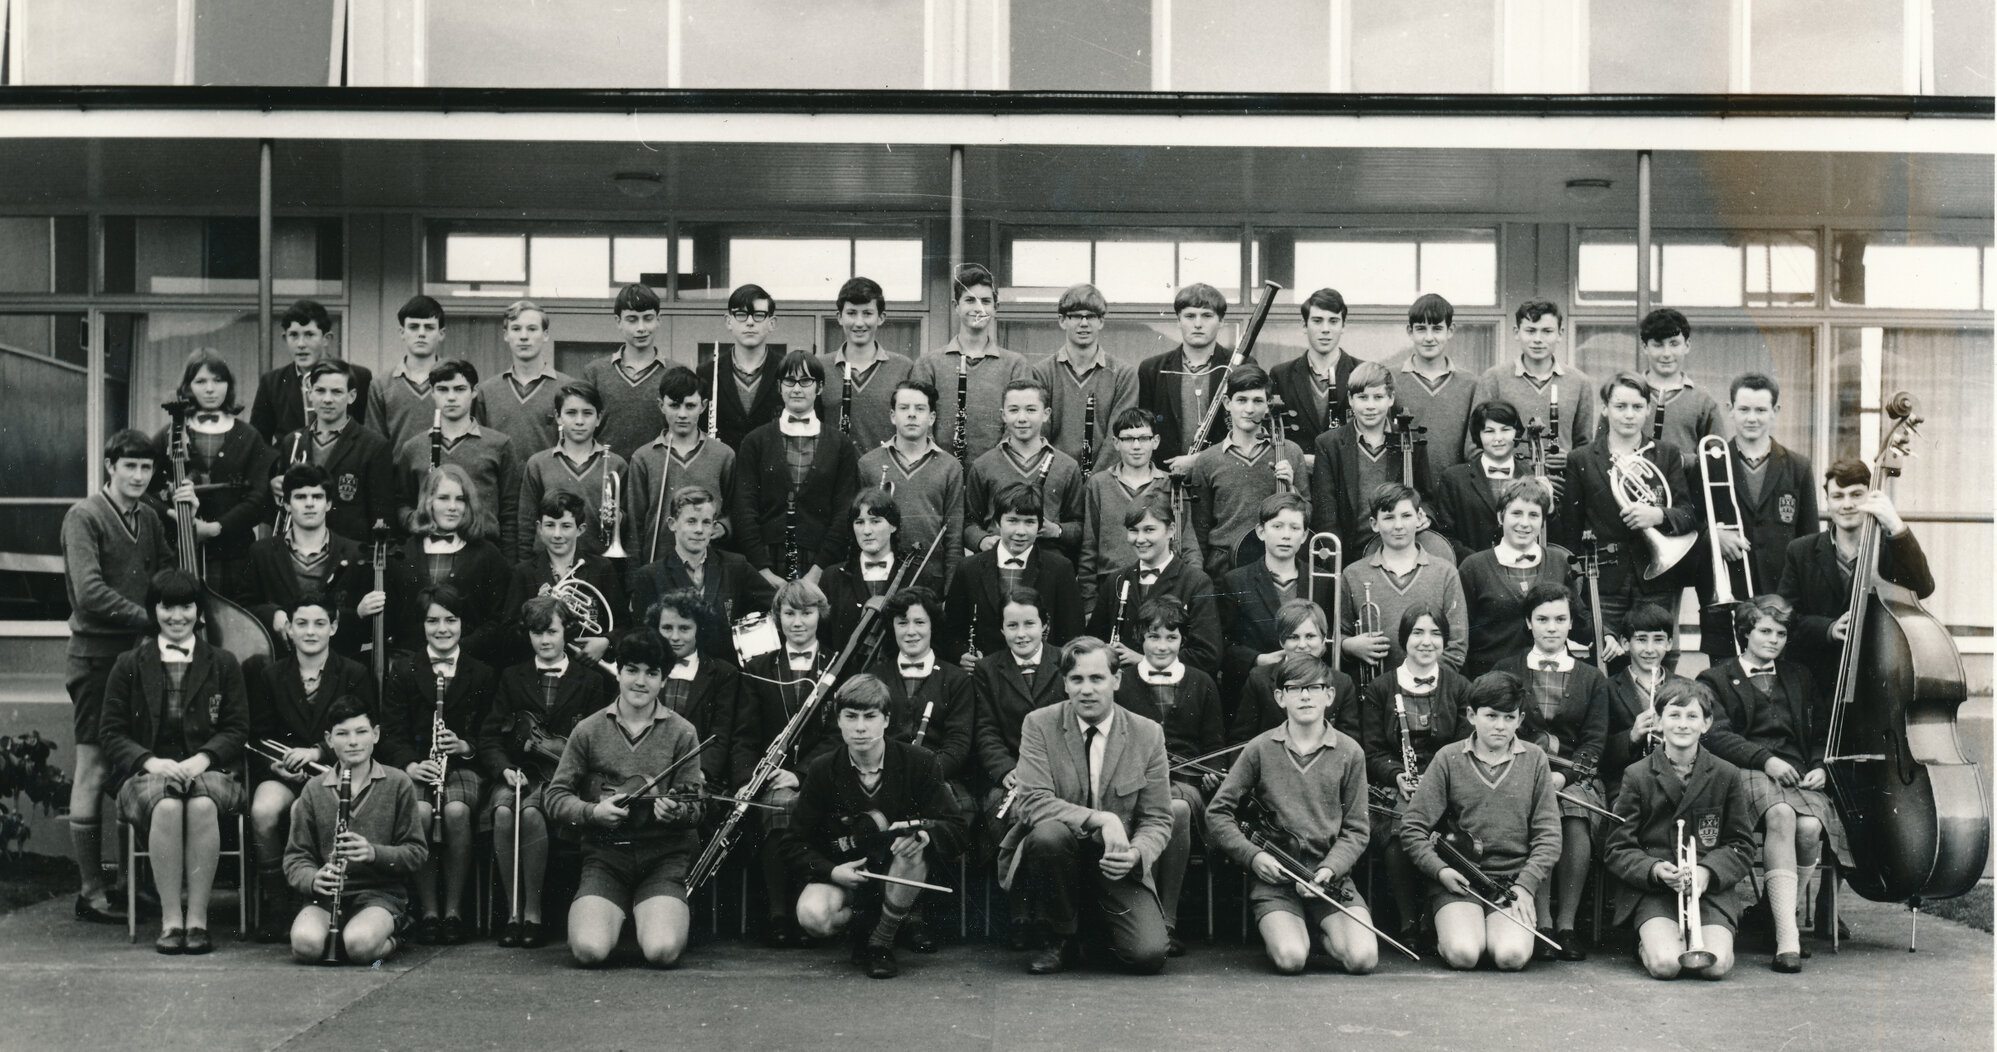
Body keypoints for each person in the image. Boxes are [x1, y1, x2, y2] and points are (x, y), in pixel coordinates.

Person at [98, 568, 250, 954]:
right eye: (167, 607)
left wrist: (204, 758)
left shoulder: (223, 662)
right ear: (154, 610)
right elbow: (111, 733)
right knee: (167, 807)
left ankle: (197, 920)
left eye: (186, 606)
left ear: (199, 611)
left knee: (200, 806)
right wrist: (150, 762)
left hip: (208, 769)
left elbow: (236, 727)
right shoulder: (129, 663)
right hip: (148, 772)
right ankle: (171, 920)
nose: (177, 616)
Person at [1001, 637, 1173, 975]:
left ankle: (1092, 930)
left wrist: (1136, 854)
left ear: (1116, 680)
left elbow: (1157, 818)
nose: (1087, 690)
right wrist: (1100, 819)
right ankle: (1058, 936)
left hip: (1113, 862)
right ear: (1065, 684)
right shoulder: (1039, 724)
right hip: (1056, 856)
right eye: (1077, 680)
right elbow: (1033, 801)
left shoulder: (1147, 733)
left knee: (1148, 955)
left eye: (1097, 679)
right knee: (1049, 834)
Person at [1700, 595, 1849, 973]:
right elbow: (1716, 735)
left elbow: (1819, 733)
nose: (1774, 640)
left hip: (1797, 773)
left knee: (1811, 827)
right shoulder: (1715, 678)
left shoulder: (1799, 676)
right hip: (1745, 772)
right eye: (1765, 631)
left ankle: (1772, 915)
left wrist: (1819, 766)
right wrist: (1765, 759)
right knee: (1781, 815)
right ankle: (1788, 938)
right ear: (1745, 633)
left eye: (1781, 633)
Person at [784, 674, 968, 978]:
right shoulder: (821, 769)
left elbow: (957, 829)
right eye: (851, 716)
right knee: (812, 916)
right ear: (838, 720)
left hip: (900, 875)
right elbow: (793, 843)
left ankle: (880, 942)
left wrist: (924, 835)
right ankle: (860, 926)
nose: (859, 727)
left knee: (911, 849)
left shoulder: (920, 761)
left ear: (886, 720)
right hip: (847, 877)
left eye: (870, 716)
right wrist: (832, 871)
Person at [61, 429, 174, 924]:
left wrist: (177, 606)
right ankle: (90, 889)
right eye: (128, 466)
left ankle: (132, 883)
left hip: (138, 657)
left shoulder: (148, 516)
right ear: (109, 466)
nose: (137, 476)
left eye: (146, 468)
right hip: (97, 658)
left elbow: (168, 573)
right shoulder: (84, 516)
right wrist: (152, 619)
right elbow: (89, 593)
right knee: (95, 767)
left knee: (134, 766)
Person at [1207, 652, 1378, 976]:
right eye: (1295, 688)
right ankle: (1295, 931)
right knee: (1291, 959)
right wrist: (1254, 857)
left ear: (1329, 695)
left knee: (1363, 959)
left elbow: (1356, 829)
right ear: (1279, 697)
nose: (1304, 696)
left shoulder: (1350, 752)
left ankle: (1316, 930)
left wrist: (1330, 868)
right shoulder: (1259, 748)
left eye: (1314, 688)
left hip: (1329, 880)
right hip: (1276, 881)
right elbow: (1218, 813)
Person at [543, 632, 707, 967]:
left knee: (661, 951)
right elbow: (555, 796)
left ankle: (651, 915)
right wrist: (592, 812)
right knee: (589, 950)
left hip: (663, 859)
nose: (640, 681)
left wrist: (676, 812)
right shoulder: (588, 730)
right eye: (632, 670)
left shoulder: (683, 731)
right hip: (606, 858)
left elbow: (697, 806)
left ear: (663, 680)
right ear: (618, 672)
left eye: (652, 673)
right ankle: (616, 915)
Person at [1399, 671, 1562, 972]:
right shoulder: (1448, 758)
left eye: (1509, 718)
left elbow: (1549, 837)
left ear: (1520, 719)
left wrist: (1526, 887)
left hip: (1512, 882)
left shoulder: (1535, 759)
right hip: (1459, 881)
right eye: (1491, 716)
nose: (1500, 726)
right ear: (1472, 716)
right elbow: (1412, 828)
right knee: (1464, 954)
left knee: (1510, 956)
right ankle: (1447, 925)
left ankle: (1494, 926)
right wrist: (1441, 871)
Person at [478, 595, 616, 949]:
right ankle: (513, 913)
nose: (545, 640)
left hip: (564, 779)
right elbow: (490, 735)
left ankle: (534, 913)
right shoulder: (511, 677)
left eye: (552, 631)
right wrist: (504, 769)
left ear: (565, 631)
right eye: (537, 633)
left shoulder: (590, 681)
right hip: (521, 772)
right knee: (505, 811)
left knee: (533, 813)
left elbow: (598, 740)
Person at [1604, 678, 1755, 981]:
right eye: (1674, 715)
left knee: (1716, 966)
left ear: (1707, 723)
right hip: (1655, 891)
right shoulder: (1636, 775)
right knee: (1666, 965)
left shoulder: (1726, 774)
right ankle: (1648, 943)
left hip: (1709, 891)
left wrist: (1707, 872)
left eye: (1692, 716)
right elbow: (1617, 847)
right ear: (1658, 722)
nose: (1683, 725)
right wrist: (1655, 869)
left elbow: (1741, 844)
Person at [247, 589, 376, 942]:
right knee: (263, 811)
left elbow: (361, 735)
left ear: (334, 627)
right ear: (288, 628)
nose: (310, 631)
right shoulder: (270, 675)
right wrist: (277, 765)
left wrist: (319, 752)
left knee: (320, 813)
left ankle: (327, 900)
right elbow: (257, 736)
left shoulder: (354, 672)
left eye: (320, 623)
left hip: (337, 772)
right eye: (301, 623)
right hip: (285, 772)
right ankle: (279, 904)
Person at [1491, 583, 1611, 959]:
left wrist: (1565, 777)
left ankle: (1567, 926)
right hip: (1519, 771)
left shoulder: (1591, 678)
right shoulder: (1507, 669)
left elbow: (1594, 743)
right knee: (1535, 816)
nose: (1551, 627)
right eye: (1542, 619)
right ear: (1528, 623)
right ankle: (1541, 923)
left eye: (1560, 619)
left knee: (1573, 816)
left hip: (1575, 776)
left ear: (1571, 623)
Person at [378, 583, 497, 945]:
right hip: (418, 766)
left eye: (450, 620)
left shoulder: (482, 673)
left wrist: (464, 745)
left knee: (458, 812)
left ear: (462, 623)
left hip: (462, 766)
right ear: (422, 625)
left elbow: (490, 732)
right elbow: (391, 734)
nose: (442, 629)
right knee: (420, 811)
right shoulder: (403, 669)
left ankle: (454, 910)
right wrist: (411, 766)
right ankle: (429, 909)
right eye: (433, 621)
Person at [734, 578, 845, 946]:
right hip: (770, 780)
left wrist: (799, 775)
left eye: (807, 613)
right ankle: (779, 913)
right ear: (777, 617)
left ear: (820, 615)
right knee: (775, 805)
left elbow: (836, 736)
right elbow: (745, 735)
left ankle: (804, 908)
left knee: (793, 803)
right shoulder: (758, 666)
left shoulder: (838, 664)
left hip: (822, 775)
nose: (798, 622)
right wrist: (750, 779)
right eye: (790, 613)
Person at [1111, 595, 1221, 957]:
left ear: (1182, 641)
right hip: (1132, 784)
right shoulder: (1121, 682)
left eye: (1171, 638)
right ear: (1140, 638)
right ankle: (1142, 916)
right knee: (1159, 808)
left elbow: (1214, 746)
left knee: (1178, 809)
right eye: (1154, 637)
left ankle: (1167, 920)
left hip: (1187, 783)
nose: (1162, 646)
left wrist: (1212, 776)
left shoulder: (1202, 682)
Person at [1557, 371, 1698, 653]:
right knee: (1606, 655)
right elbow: (1570, 530)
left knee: (1656, 655)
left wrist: (1658, 516)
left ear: (1648, 410)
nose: (1628, 415)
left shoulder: (1666, 454)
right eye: (1620, 407)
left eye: (1636, 407)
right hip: (1603, 580)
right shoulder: (1581, 459)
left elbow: (1688, 515)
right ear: (1606, 410)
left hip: (1656, 578)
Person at [284, 694, 427, 965]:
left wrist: (374, 853)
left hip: (380, 895)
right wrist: (314, 879)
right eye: (342, 734)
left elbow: (416, 853)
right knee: (306, 945)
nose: (352, 741)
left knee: (359, 947)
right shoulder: (314, 789)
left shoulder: (398, 782)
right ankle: (345, 937)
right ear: (328, 740)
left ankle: (399, 933)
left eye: (361, 732)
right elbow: (295, 857)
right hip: (326, 898)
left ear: (375, 734)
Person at [1356, 606, 1471, 943]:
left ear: (1445, 641)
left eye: (1435, 634)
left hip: (1446, 782)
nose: (1426, 641)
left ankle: (1440, 914)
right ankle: (1409, 922)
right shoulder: (1380, 688)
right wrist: (1397, 777)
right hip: (1397, 786)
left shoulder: (1461, 686)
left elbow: (1463, 744)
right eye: (1418, 633)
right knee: (1399, 830)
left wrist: (1435, 780)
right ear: (1404, 639)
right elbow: (1373, 750)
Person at [1695, 372, 1817, 663]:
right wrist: (1712, 535)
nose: (1752, 418)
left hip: (1781, 599)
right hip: (1726, 601)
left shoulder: (1798, 466)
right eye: (1744, 409)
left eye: (1761, 410)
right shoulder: (1709, 461)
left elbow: (1809, 537)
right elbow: (1691, 521)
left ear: (1775, 412)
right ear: (1729, 409)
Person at [971, 587, 1066, 949]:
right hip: (1010, 774)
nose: (1021, 633)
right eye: (1012, 625)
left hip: (1058, 773)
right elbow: (986, 729)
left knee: (1050, 825)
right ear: (1002, 629)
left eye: (1029, 624)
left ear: (1044, 626)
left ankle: (1045, 915)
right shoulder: (987, 669)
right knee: (1004, 814)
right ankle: (1020, 912)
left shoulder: (1066, 660)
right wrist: (1005, 769)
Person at [1778, 458, 1927, 689]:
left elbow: (1923, 587)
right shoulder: (1800, 550)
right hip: (1816, 681)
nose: (1847, 504)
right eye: (1838, 496)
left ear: (1872, 499)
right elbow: (1786, 618)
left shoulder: (1889, 550)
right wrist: (1829, 628)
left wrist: (1896, 526)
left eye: (1856, 495)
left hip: (1878, 677)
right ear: (1827, 502)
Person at [150, 348, 277, 601]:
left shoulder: (249, 436)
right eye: (201, 381)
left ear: (229, 386)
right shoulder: (170, 433)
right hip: (182, 550)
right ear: (187, 387)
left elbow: (259, 496)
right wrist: (173, 515)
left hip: (235, 553)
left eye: (218, 381)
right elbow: (144, 490)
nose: (210, 389)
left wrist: (216, 528)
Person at [732, 350, 862, 590]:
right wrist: (763, 571)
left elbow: (845, 511)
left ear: (820, 388)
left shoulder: (840, 444)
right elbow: (743, 508)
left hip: (822, 565)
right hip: (765, 564)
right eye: (789, 381)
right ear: (779, 387)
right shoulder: (755, 441)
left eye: (806, 381)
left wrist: (816, 573)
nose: (797, 389)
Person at [1184, 362, 1310, 580]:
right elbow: (1200, 528)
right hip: (1224, 566)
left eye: (1258, 401)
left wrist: (1291, 489)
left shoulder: (1290, 452)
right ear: (1227, 403)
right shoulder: (1208, 460)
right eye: (1241, 400)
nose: (1249, 409)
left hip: (1276, 564)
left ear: (1268, 406)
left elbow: (1307, 514)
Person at [1338, 484, 1469, 681]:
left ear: (1419, 518)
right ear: (1374, 524)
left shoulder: (1445, 572)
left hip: (1433, 690)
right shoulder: (1353, 574)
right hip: (1374, 694)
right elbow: (1338, 636)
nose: (1398, 525)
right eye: (1389, 518)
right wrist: (1348, 646)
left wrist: (1421, 682)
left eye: (1406, 516)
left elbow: (1457, 645)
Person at [1456, 478, 1585, 678]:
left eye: (1533, 515)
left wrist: (1607, 634)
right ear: (1500, 517)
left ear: (1542, 521)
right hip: (1491, 680)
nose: (1524, 523)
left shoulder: (1560, 562)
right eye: (1516, 513)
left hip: (1546, 676)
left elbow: (1579, 618)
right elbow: (1461, 634)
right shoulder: (1474, 567)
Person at [395, 359, 524, 559]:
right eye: (443, 389)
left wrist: (509, 564)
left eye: (460, 389)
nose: (451, 397)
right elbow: (401, 504)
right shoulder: (413, 447)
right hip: (429, 550)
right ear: (432, 392)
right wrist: (419, 520)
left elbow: (511, 513)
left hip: (483, 553)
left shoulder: (499, 445)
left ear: (474, 392)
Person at [944, 483, 1083, 669]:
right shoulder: (969, 568)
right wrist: (960, 654)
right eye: (1012, 520)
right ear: (997, 522)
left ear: (1040, 525)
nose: (1021, 531)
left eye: (1029, 522)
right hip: (984, 674)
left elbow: (1072, 634)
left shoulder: (1060, 568)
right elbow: (951, 632)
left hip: (1041, 675)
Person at [382, 465, 510, 663]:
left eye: (460, 499)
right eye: (443, 498)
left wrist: (459, 650)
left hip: (470, 665)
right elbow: (393, 621)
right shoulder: (401, 554)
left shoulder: (488, 555)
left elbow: (497, 619)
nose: (453, 507)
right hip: (412, 666)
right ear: (428, 501)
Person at [911, 264, 1036, 467]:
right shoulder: (928, 364)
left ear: (996, 307)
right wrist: (941, 468)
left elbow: (1021, 426)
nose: (978, 308)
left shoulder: (1015, 364)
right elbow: (919, 424)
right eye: (970, 300)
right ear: (955, 306)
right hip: (940, 471)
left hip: (998, 472)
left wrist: (993, 467)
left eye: (985, 301)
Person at [626, 484, 768, 663]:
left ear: (714, 526)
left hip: (726, 677)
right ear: (672, 524)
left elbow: (773, 607)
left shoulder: (735, 565)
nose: (699, 529)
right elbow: (643, 637)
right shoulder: (649, 575)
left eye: (706, 522)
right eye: (691, 521)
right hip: (673, 673)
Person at [1308, 363, 1437, 559]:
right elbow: (1326, 511)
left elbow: (1427, 497)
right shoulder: (1329, 444)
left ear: (1391, 399)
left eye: (1378, 397)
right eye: (1362, 397)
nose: (1370, 406)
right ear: (1351, 400)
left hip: (1398, 549)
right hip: (1350, 551)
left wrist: (1425, 515)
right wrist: (1337, 558)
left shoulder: (1411, 440)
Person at [1087, 494, 1222, 681]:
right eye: (1134, 530)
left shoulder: (1196, 582)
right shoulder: (1116, 580)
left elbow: (1208, 656)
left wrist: (1144, 661)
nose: (1140, 539)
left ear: (1171, 530)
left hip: (1172, 690)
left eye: (1149, 530)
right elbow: (1093, 641)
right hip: (1123, 690)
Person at [241, 464, 369, 658]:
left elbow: (363, 623)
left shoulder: (355, 554)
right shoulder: (261, 552)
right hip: (279, 663)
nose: (309, 504)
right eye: (300, 497)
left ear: (328, 503)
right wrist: (273, 614)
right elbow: (243, 606)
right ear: (286, 504)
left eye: (317, 497)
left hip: (338, 664)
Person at [871, 588, 976, 817]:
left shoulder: (956, 679)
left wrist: (923, 775)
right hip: (881, 778)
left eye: (919, 622)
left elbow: (958, 744)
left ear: (932, 626)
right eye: (902, 623)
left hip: (938, 778)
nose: (911, 632)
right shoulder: (875, 677)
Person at [269, 359, 397, 544]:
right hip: (300, 550)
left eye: (337, 392)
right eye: (320, 391)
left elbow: (382, 515)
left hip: (350, 554)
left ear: (351, 396)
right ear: (310, 393)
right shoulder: (292, 441)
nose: (327, 399)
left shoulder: (374, 446)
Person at [625, 365, 738, 565]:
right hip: (657, 565)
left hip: (708, 566)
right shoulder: (643, 458)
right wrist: (634, 580)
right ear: (661, 405)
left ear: (703, 406)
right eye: (674, 405)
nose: (682, 414)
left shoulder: (723, 455)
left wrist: (724, 526)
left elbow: (733, 510)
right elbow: (635, 525)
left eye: (690, 406)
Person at [857, 380, 964, 588]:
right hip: (879, 580)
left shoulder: (950, 467)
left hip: (931, 581)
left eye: (920, 409)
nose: (912, 414)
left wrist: (950, 592)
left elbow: (954, 539)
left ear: (932, 417)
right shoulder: (868, 464)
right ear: (892, 416)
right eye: (904, 408)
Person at [964, 378, 1085, 560]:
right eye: (1013, 410)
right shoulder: (983, 465)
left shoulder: (1067, 466)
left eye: (1031, 410)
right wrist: (982, 540)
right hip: (995, 559)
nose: (1022, 418)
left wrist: (1056, 530)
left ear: (1046, 414)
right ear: (1003, 415)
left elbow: (1079, 526)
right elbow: (968, 522)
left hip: (1048, 564)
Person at [501, 491, 623, 670]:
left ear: (580, 529)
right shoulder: (523, 572)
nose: (557, 534)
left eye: (566, 526)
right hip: (538, 668)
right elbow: (508, 634)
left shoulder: (602, 568)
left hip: (587, 670)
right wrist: (534, 610)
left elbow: (624, 626)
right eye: (550, 525)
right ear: (539, 528)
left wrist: (606, 642)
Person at [1216, 493, 1321, 702]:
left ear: (1304, 536)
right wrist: (1257, 660)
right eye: (1277, 526)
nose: (1286, 535)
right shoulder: (1235, 581)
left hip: (1309, 689)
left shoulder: (1322, 580)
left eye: (1294, 528)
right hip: (1254, 691)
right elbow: (1222, 644)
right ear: (1261, 532)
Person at [1467, 299, 1596, 465]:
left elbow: (1585, 448)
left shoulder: (1580, 382)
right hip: (1507, 487)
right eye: (1530, 331)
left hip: (1560, 487)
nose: (1538, 339)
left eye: (1547, 331)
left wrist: (1571, 461)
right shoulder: (1493, 379)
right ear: (1516, 332)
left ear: (1560, 334)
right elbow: (1473, 448)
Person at [515, 382, 630, 561]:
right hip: (548, 564)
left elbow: (628, 526)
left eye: (587, 413)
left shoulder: (617, 464)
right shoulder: (538, 464)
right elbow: (526, 526)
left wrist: (618, 518)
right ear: (558, 417)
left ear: (599, 418)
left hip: (601, 565)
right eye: (571, 413)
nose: (579, 421)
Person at [646, 587, 744, 792]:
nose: (674, 636)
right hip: (645, 775)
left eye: (684, 628)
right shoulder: (643, 670)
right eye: (666, 628)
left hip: (698, 778)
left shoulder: (723, 674)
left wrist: (698, 773)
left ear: (699, 629)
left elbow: (720, 735)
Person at [1079, 408, 1175, 614]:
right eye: (1128, 439)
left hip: (1162, 585)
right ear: (1116, 443)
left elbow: (1187, 540)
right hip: (1111, 584)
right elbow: (1089, 546)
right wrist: (1089, 604)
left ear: (1155, 441)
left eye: (1143, 438)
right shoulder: (1099, 484)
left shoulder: (1170, 484)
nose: (1137, 446)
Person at [1034, 283, 1138, 470]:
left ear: (1101, 321)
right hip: (1055, 479)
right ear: (1062, 320)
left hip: (1104, 481)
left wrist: (1096, 482)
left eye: (1091, 316)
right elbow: (1039, 436)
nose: (1084, 323)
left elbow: (1118, 439)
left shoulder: (1123, 374)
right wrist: (1062, 479)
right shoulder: (1042, 373)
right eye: (1075, 316)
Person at [1229, 598, 1359, 746]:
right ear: (1281, 641)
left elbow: (1349, 744)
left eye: (1310, 636)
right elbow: (1240, 742)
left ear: (1323, 639)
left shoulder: (1342, 683)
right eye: (1293, 637)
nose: (1302, 645)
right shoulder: (1259, 679)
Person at [1138, 282, 1239, 470]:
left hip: (1223, 475)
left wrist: (1200, 460)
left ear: (1222, 321)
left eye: (1207, 316)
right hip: (1165, 476)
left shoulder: (1241, 367)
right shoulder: (1152, 369)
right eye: (1190, 316)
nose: (1198, 324)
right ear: (1178, 321)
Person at [251, 299, 375, 440]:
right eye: (294, 335)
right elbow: (259, 442)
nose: (301, 344)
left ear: (326, 339)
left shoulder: (359, 377)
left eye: (309, 335)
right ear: (285, 338)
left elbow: (368, 435)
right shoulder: (272, 383)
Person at [818, 276, 915, 453]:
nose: (859, 322)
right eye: (852, 313)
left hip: (886, 475)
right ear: (839, 317)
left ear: (881, 318)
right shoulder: (820, 367)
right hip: (835, 476)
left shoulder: (904, 367)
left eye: (867, 313)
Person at [1600, 602, 1686, 799]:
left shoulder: (1686, 688)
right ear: (1625, 643)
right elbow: (1600, 750)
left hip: (1680, 781)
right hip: (1627, 785)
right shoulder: (1606, 688)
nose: (1649, 649)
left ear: (1669, 644)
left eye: (1658, 640)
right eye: (1641, 640)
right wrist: (1632, 736)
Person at [1433, 400, 1537, 562]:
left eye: (1505, 430)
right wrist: (1480, 563)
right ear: (1478, 435)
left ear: (1516, 433)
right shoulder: (1454, 478)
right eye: (1489, 431)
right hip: (1472, 571)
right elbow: (1445, 536)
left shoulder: (1532, 476)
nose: (1498, 438)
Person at [817, 489, 920, 652]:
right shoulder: (832, 577)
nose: (866, 531)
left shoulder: (916, 575)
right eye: (859, 522)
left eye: (875, 521)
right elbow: (822, 639)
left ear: (893, 525)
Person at [1390, 293, 1473, 484]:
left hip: (1455, 491)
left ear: (1450, 330)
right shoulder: (1390, 378)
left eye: (1437, 329)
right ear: (1409, 331)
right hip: (1404, 491)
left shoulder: (1470, 384)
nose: (1429, 338)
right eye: (1421, 329)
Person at [1268, 287, 1361, 458]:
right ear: (1304, 325)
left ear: (1343, 326)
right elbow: (1270, 437)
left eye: (1333, 321)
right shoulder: (1280, 375)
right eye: (1317, 321)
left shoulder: (1361, 372)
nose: (1325, 329)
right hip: (1298, 479)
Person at [581, 283, 670, 460]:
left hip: (657, 477)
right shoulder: (595, 373)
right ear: (618, 322)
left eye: (648, 318)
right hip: (606, 475)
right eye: (632, 319)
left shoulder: (675, 373)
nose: (641, 328)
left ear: (659, 319)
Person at [474, 300, 571, 457]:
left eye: (532, 329)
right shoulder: (487, 391)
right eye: (516, 329)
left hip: (546, 481)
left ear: (545, 335)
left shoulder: (568, 388)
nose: (524, 336)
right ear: (506, 335)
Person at [696, 284, 787, 450]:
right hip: (723, 473)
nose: (750, 322)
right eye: (741, 315)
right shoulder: (706, 372)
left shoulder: (787, 371)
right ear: (728, 321)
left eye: (759, 315)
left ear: (772, 323)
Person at [1637, 309, 1729, 457]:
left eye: (1674, 344)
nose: (1666, 353)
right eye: (1658, 345)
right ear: (1645, 347)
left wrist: (1682, 462)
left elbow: (1717, 456)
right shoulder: (1625, 395)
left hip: (1685, 480)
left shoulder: (1703, 402)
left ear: (1687, 345)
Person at [366, 295, 450, 452]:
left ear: (441, 334)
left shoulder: (456, 382)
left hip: (446, 474)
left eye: (429, 327)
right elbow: (375, 444)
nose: (421, 333)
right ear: (402, 332)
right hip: (396, 474)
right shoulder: (381, 385)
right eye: (414, 327)